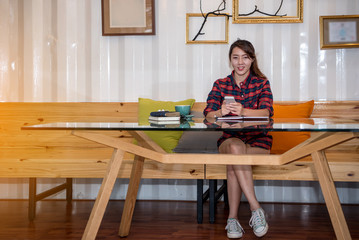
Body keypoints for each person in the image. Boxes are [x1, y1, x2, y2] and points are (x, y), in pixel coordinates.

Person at [203, 39, 273, 238]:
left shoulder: (261, 82)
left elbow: (267, 113)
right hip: (229, 141)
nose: (240, 62)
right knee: (235, 149)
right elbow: (207, 114)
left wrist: (244, 110)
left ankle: (232, 219)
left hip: (258, 141)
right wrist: (220, 111)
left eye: (245, 57)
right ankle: (255, 208)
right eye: (236, 57)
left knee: (234, 162)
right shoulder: (221, 84)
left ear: (252, 60)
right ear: (230, 60)